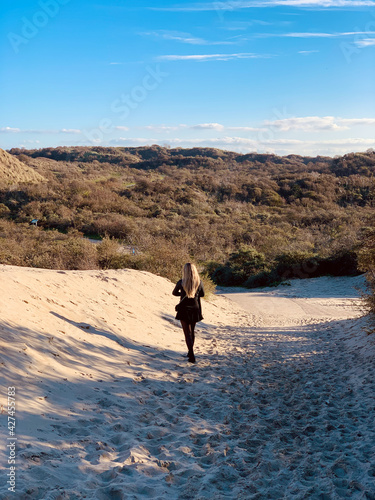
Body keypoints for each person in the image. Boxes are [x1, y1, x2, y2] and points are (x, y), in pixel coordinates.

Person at [172, 263, 205, 364]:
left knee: (187, 333)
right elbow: (202, 294)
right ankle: (190, 353)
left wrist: (183, 293)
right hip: (195, 308)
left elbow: (174, 293)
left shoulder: (181, 282)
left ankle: (191, 354)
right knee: (192, 331)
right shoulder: (199, 282)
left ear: (185, 271)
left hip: (184, 308)